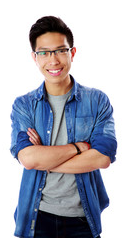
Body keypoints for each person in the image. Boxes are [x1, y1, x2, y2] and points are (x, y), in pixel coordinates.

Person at [10, 16, 117, 238]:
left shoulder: (97, 101)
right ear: (34, 57)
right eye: (44, 52)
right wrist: (78, 147)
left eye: (60, 50)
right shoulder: (24, 105)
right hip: (35, 217)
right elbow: (28, 159)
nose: (53, 60)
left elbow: (102, 158)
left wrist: (44, 160)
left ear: (72, 53)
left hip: (82, 218)